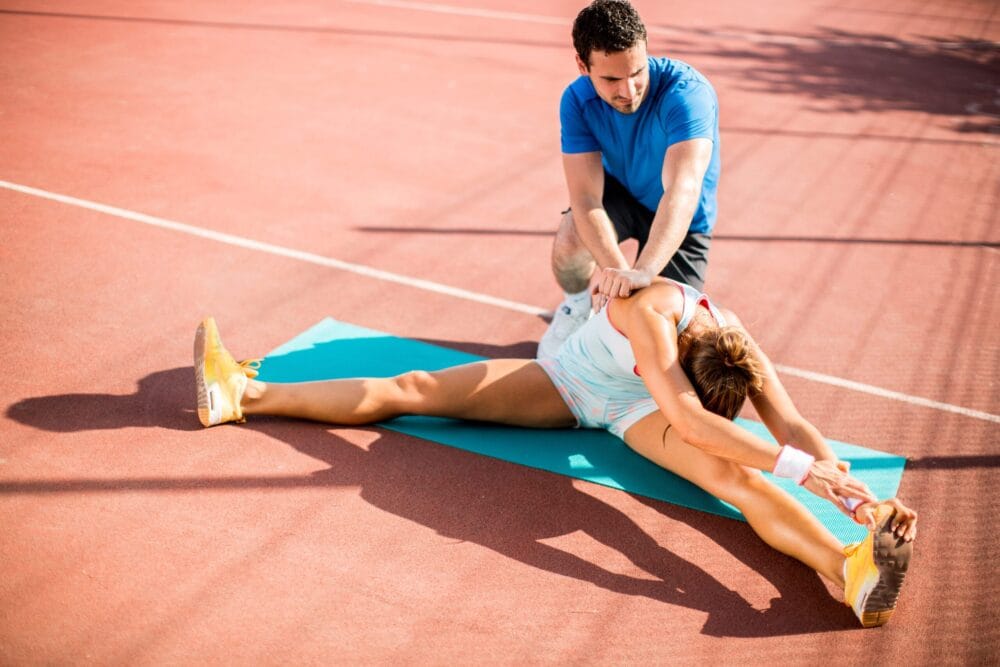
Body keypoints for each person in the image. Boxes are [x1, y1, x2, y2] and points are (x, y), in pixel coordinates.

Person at [193, 278, 917, 628]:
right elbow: (692, 423)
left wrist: (855, 495)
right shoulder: (653, 316)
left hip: (639, 412)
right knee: (411, 386)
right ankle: (239, 395)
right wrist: (795, 467)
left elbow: (788, 421)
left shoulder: (734, 343)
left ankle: (848, 573)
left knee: (740, 480)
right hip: (568, 382)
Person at [539, 0, 722, 358]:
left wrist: (645, 273)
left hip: (682, 218)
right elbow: (586, 200)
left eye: (637, 72)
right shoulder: (576, 101)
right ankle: (576, 309)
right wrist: (617, 275)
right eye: (610, 79)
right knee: (570, 235)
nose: (628, 90)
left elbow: (682, 191)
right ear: (582, 65)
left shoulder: (687, 94)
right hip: (621, 196)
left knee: (677, 348)